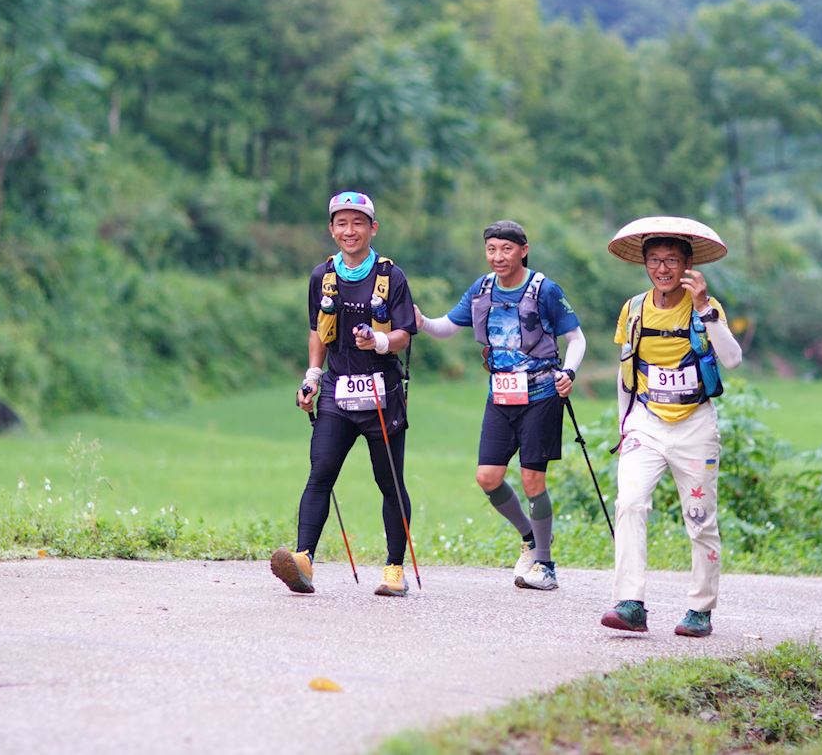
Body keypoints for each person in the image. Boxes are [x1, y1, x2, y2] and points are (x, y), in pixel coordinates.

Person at [415, 220, 585, 590]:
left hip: (541, 395)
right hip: (500, 396)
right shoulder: (482, 288)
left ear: (523, 250)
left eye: (506, 249)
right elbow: (446, 326)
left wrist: (568, 371)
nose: (498, 257)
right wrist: (421, 321)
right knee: (487, 477)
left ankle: (545, 564)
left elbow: (576, 337)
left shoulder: (544, 290)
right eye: (491, 249)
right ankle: (530, 537)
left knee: (531, 479)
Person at [270, 191, 420, 598]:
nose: (349, 231)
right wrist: (312, 377)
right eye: (341, 223)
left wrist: (380, 343)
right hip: (337, 391)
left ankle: (393, 568)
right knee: (320, 474)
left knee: (389, 481)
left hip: (380, 392)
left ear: (373, 228)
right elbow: (318, 331)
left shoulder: (392, 276)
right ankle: (303, 560)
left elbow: (405, 333)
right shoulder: (323, 276)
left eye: (358, 223)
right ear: (331, 229)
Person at [599, 216, 742, 637]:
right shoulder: (634, 310)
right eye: (655, 260)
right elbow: (626, 371)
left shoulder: (707, 308)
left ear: (688, 265)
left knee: (700, 518)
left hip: (695, 425)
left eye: (672, 261)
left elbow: (732, 360)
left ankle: (700, 610)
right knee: (630, 502)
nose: (663, 269)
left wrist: (703, 310)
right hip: (645, 422)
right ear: (645, 264)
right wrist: (624, 426)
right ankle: (630, 604)